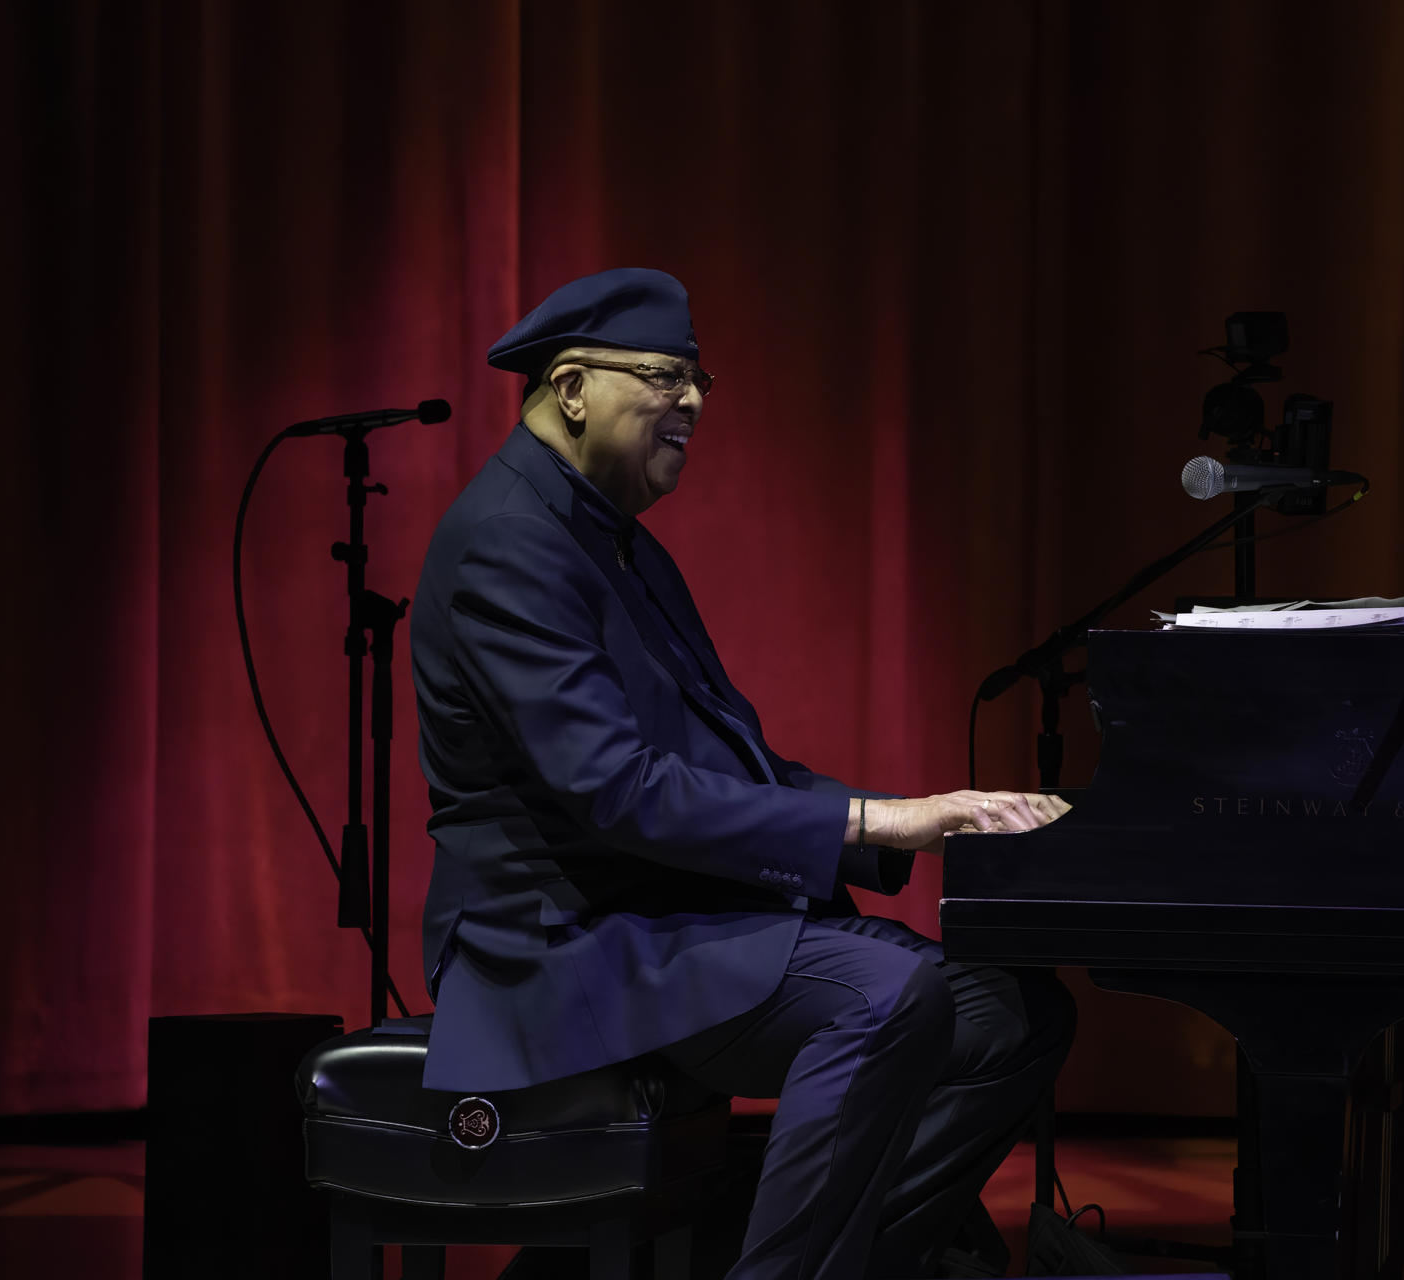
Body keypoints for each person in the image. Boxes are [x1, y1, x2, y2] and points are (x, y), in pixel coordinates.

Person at [410, 267, 1076, 1279]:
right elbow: (617, 789)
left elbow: (736, 762)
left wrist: (931, 813)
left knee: (1016, 1008)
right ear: (573, 385)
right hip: (566, 940)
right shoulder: (512, 544)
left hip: (668, 915)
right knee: (888, 995)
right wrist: (881, 822)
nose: (690, 403)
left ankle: (805, 1259)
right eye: (662, 378)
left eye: (698, 381)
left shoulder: (617, 545)